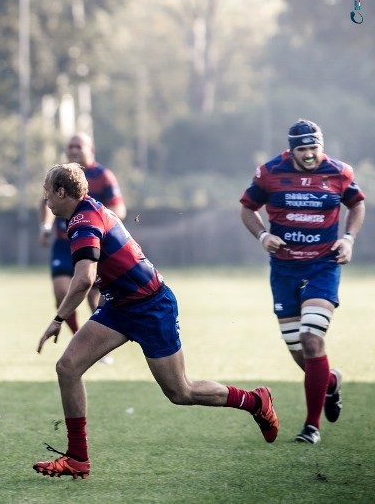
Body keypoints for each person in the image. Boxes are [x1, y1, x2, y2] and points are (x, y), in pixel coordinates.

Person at [33, 163, 278, 480]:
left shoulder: (83, 221)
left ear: (61, 192)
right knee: (68, 367)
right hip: (119, 307)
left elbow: (83, 280)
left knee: (181, 392)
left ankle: (255, 401)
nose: (45, 198)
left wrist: (58, 318)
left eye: (47, 191)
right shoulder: (85, 211)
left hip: (151, 307)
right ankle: (78, 458)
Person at [240, 118, 365, 445]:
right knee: (298, 350)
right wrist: (263, 235)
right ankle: (331, 383)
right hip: (283, 270)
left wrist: (349, 239)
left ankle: (312, 427)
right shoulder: (269, 172)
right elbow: (247, 209)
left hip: (323, 265)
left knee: (312, 338)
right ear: (291, 150)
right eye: (303, 150)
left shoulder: (339, 172)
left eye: (314, 148)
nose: (310, 155)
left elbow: (357, 203)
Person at [38, 132, 126, 361]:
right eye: (70, 146)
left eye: (79, 146)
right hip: (63, 244)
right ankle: (80, 339)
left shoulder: (103, 175)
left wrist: (96, 224)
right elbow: (45, 203)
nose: (74, 150)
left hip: (90, 243)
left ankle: (98, 344)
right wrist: (45, 227)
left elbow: (119, 209)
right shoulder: (58, 175)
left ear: (91, 149)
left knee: (93, 295)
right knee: (61, 291)